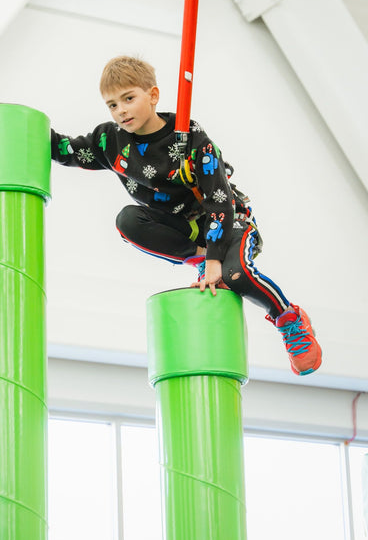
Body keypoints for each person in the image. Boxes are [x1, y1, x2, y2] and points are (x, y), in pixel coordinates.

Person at [51, 55, 322, 376]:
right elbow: (66, 151)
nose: (120, 110)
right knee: (127, 220)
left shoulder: (192, 140)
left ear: (153, 96)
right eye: (112, 105)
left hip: (228, 221)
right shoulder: (111, 141)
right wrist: (33, 131)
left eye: (128, 99)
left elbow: (220, 201)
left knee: (237, 277)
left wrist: (216, 259)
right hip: (184, 229)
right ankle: (197, 258)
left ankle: (288, 319)